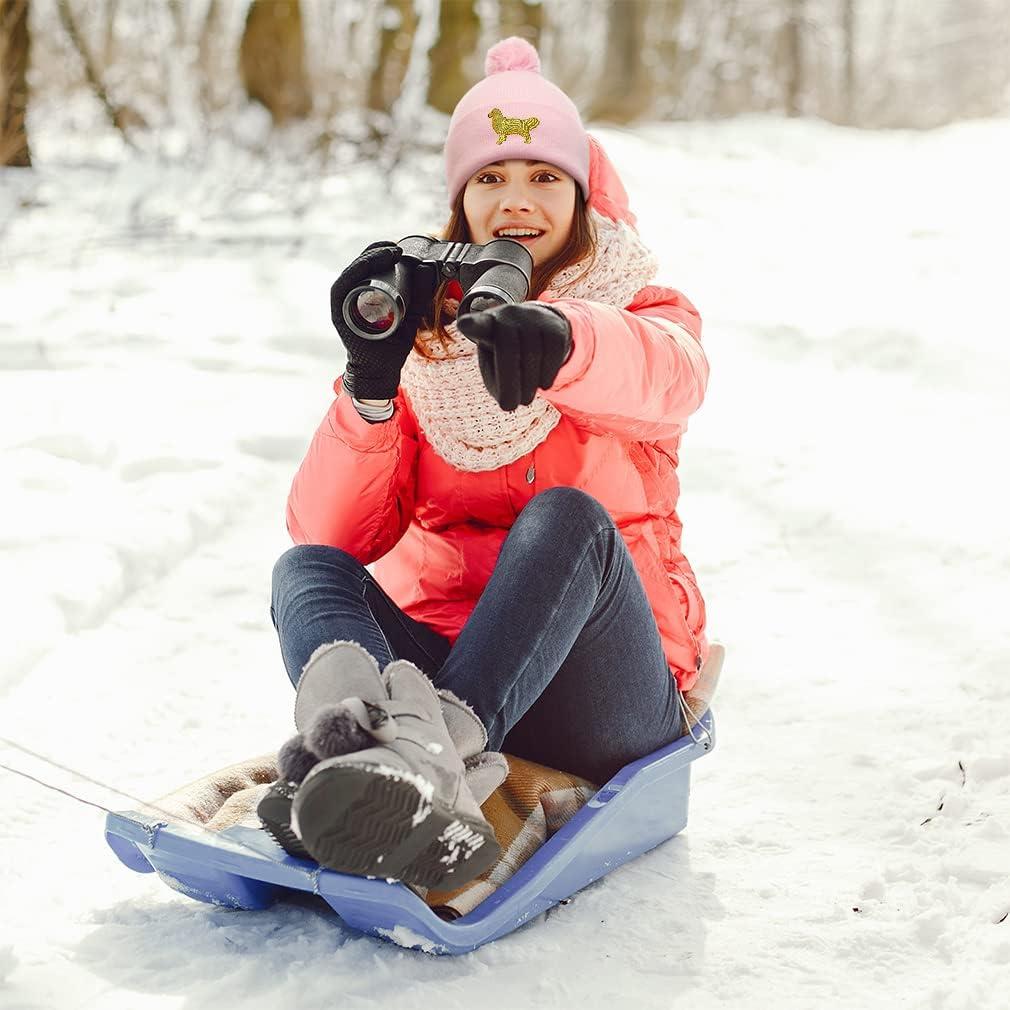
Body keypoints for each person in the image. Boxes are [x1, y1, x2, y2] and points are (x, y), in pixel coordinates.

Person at [262, 37, 711, 890]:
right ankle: (361, 762)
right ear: (459, 202)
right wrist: (370, 389)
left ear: (582, 195)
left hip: (603, 695)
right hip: (457, 661)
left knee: (567, 521)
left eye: (545, 178)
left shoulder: (641, 308)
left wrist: (567, 339)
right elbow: (335, 532)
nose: (517, 201)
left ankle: (431, 762)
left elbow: (671, 377)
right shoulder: (428, 337)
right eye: (490, 178)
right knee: (308, 569)